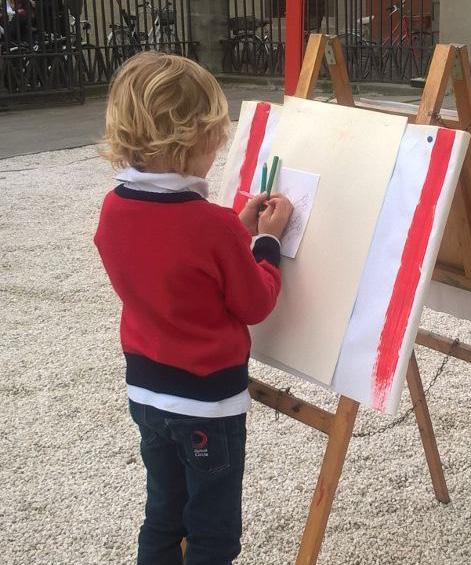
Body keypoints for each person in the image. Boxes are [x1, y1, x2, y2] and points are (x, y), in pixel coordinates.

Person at [94, 51, 293, 565]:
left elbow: (173, 260)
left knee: (163, 514)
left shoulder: (115, 208)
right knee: (212, 531)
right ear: (192, 142)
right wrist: (265, 244)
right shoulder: (214, 227)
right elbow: (254, 303)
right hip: (208, 404)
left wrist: (234, 230)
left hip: (146, 393)